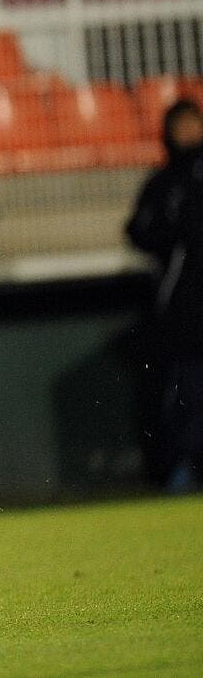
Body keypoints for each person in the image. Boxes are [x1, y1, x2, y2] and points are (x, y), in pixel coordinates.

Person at [125, 98, 203, 494]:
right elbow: (138, 230)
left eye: (194, 124)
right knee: (186, 393)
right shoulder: (162, 183)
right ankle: (183, 466)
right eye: (181, 126)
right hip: (185, 312)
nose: (189, 133)